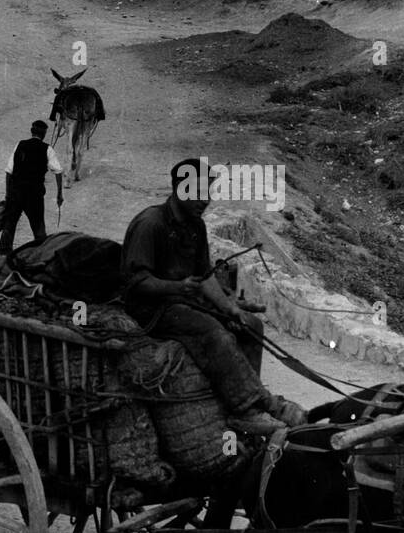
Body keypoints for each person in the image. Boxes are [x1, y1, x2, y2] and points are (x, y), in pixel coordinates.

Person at [120, 158, 307, 435]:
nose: (206, 200)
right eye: (199, 192)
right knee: (213, 333)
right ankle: (251, 406)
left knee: (249, 325)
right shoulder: (151, 224)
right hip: (151, 309)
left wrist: (230, 309)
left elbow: (206, 276)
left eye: (209, 192)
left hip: (182, 303)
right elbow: (135, 281)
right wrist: (176, 288)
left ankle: (248, 406)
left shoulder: (196, 227)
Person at [0, 119, 64, 254]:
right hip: (34, 194)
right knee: (38, 227)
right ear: (44, 134)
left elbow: (8, 171)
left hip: (16, 191)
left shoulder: (20, 145)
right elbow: (58, 171)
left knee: (9, 225)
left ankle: (3, 255)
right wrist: (59, 194)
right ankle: (42, 255)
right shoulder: (47, 149)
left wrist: (8, 193)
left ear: (31, 131)